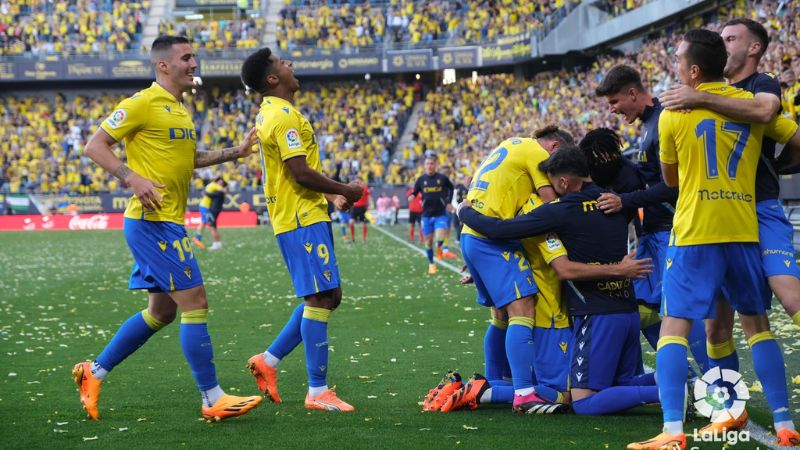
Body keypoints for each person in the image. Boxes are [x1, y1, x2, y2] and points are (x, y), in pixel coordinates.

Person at [73, 35, 262, 422]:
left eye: (194, 56)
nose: (194, 63)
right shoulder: (142, 103)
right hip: (152, 223)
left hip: (165, 220)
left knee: (160, 313)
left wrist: (235, 153)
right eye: (186, 57)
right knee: (196, 303)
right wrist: (132, 178)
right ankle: (212, 398)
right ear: (163, 65)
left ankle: (94, 373)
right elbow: (95, 146)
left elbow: (191, 158)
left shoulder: (179, 108)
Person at [629, 29, 800, 450]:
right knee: (756, 326)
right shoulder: (751, 106)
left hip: (695, 232)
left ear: (693, 70)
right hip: (743, 231)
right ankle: (783, 423)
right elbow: (790, 135)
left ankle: (672, 432)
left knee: (673, 327)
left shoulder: (675, 111)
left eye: (678, 62)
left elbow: (670, 179)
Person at [459, 147, 660, 417]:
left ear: (564, 182)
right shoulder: (614, 201)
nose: (548, 191)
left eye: (550, 183)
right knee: (617, 385)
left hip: (596, 315)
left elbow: (498, 229)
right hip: (627, 311)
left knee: (582, 402)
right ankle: (688, 382)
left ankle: (674, 391)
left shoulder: (560, 210)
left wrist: (464, 212)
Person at [241, 47, 363, 412]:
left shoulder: (274, 113)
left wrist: (330, 199)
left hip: (303, 213)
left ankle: (270, 361)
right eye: (282, 63)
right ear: (272, 79)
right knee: (321, 298)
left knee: (328, 295)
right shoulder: (282, 116)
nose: (290, 64)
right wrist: (344, 189)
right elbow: (299, 172)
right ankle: (316, 390)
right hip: (299, 219)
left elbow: (291, 174)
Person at [595, 66, 710, 375]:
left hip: (671, 230)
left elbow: (673, 185)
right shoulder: (648, 124)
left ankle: (716, 381)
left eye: (615, 102)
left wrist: (624, 200)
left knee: (679, 307)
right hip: (653, 234)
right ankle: (683, 379)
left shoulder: (664, 120)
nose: (614, 110)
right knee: (645, 306)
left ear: (633, 93)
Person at [460, 126, 568, 413]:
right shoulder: (535, 151)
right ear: (555, 147)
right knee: (523, 309)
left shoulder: (510, 144)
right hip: (491, 238)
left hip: (472, 235)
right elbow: (551, 203)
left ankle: (493, 384)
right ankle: (523, 392)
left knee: (500, 315)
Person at [409, 155, 454, 274]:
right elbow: (415, 191)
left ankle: (439, 247)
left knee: (440, 236)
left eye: (432, 164)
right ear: (424, 166)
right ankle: (431, 264)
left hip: (440, 214)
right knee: (428, 242)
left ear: (435, 165)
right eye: (427, 164)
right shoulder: (421, 179)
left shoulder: (442, 178)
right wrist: (412, 196)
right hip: (426, 215)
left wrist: (448, 202)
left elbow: (451, 188)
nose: (429, 166)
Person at [193, 176, 227, 251]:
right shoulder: (215, 185)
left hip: (205, 206)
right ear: (217, 181)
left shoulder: (211, 185)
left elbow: (206, 193)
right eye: (220, 182)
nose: (220, 184)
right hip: (205, 206)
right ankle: (197, 238)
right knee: (206, 223)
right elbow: (223, 191)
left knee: (205, 223)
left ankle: (197, 237)